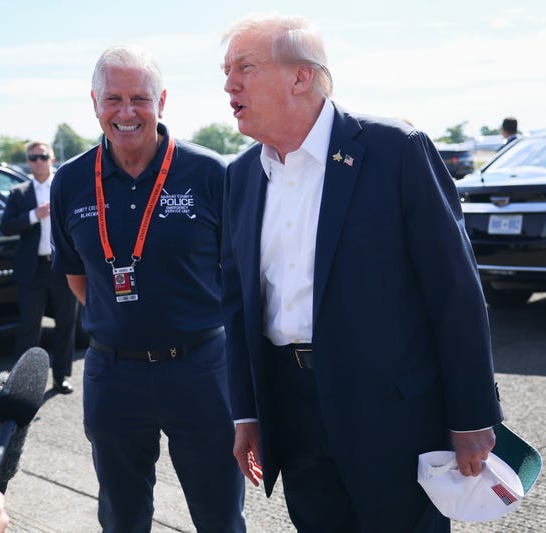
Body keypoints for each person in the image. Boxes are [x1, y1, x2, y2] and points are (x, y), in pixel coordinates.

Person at [220, 14, 503, 532]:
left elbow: (454, 291)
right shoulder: (241, 176)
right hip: (293, 414)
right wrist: (248, 414)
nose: (229, 84)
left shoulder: (394, 149)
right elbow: (238, 305)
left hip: (392, 416)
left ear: (301, 76)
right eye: (226, 71)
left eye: (245, 68)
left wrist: (473, 416)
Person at [49, 45, 245, 532]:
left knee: (219, 513)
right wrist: (124, 322)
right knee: (121, 516)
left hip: (201, 369)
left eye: (139, 98)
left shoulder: (210, 173)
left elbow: (241, 274)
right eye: (113, 98)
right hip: (113, 374)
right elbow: (79, 276)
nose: (126, 112)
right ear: (94, 103)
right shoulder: (71, 181)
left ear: (162, 101)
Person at [0, 141, 77, 394]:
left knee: (66, 323)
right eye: (33, 158)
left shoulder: (65, 187)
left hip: (63, 266)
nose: (38, 161)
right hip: (33, 269)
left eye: (43, 156)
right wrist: (34, 215)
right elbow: (6, 227)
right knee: (30, 326)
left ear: (52, 159)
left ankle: (61, 376)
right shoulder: (19, 192)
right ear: (28, 162)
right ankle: (24, 382)